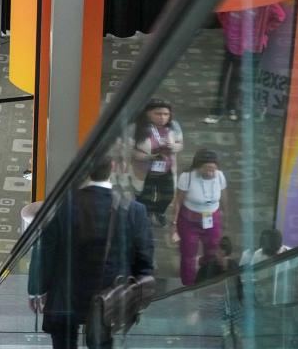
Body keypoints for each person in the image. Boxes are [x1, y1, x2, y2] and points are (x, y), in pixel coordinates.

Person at [28, 155, 154, 349]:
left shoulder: (62, 206)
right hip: (109, 294)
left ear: (84, 171)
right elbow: (144, 258)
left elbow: (46, 251)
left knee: (63, 342)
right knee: (102, 341)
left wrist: (36, 289)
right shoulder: (134, 210)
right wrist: (135, 289)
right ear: (113, 167)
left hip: (66, 296)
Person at [203, 3, 286, 124]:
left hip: (252, 46)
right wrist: (227, 27)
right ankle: (225, 109)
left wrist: (264, 29)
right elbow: (221, 11)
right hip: (235, 44)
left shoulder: (264, 2)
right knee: (231, 78)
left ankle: (233, 108)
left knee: (240, 79)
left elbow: (279, 16)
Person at [172, 149, 227, 286]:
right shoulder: (187, 177)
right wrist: (173, 224)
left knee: (213, 249)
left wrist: (225, 214)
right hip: (189, 221)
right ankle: (188, 284)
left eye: (213, 170)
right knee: (188, 254)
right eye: (206, 169)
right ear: (198, 167)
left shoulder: (220, 176)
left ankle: (205, 271)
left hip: (211, 219)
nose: (210, 173)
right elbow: (178, 202)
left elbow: (224, 197)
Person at [128, 99, 184, 227]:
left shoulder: (174, 126)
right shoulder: (136, 127)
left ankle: (159, 212)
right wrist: (150, 156)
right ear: (147, 113)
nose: (162, 118)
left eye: (166, 114)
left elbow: (180, 144)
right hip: (144, 169)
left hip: (167, 169)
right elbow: (131, 151)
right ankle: (145, 213)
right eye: (158, 114)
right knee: (143, 194)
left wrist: (174, 147)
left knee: (168, 195)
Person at [241, 228, 298, 305]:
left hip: (285, 303)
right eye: (264, 248)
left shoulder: (291, 255)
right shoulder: (258, 254)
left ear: (278, 245)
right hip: (262, 303)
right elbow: (251, 277)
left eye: (269, 250)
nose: (267, 254)